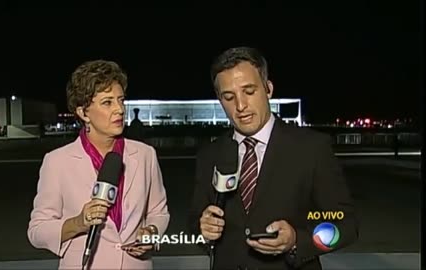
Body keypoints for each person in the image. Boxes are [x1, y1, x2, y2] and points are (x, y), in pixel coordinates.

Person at [189, 47, 358, 270]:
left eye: (249, 92)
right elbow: (194, 222)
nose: (240, 106)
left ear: (268, 89)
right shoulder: (209, 154)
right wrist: (203, 229)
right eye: (229, 97)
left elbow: (346, 225)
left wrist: (298, 240)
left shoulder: (311, 148)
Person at [27, 60, 170, 270]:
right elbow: (37, 231)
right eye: (107, 102)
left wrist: (151, 233)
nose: (119, 109)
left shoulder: (145, 155)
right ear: (83, 113)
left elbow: (159, 212)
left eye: (121, 100)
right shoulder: (57, 162)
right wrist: (78, 222)